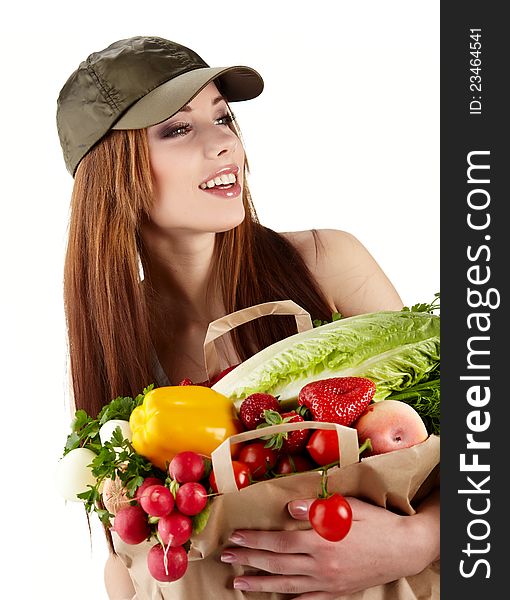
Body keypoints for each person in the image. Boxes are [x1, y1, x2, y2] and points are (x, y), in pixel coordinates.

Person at [57, 36, 439, 599]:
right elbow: (126, 556)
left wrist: (419, 541)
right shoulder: (115, 345)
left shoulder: (326, 262)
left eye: (223, 117)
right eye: (178, 128)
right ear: (114, 176)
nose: (224, 145)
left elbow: (478, 434)